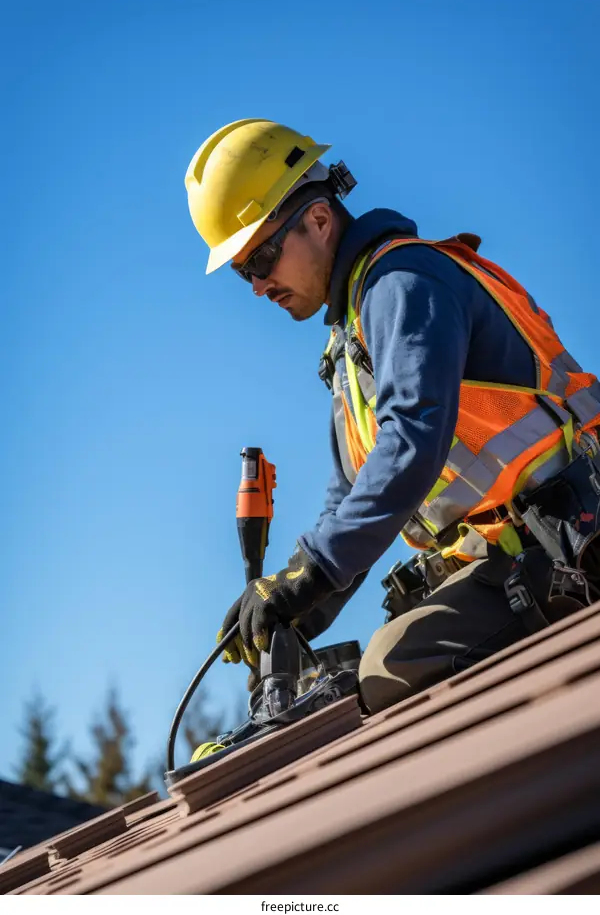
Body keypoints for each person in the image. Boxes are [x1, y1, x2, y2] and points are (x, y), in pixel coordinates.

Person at [184, 118, 600, 715]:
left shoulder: (404, 284)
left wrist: (313, 569)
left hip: (569, 540)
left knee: (389, 669)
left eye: (262, 258)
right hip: (512, 555)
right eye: (241, 271)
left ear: (320, 220)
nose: (256, 285)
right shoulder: (349, 344)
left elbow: (412, 440)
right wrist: (295, 611)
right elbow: (352, 499)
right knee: (339, 677)